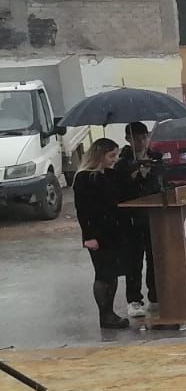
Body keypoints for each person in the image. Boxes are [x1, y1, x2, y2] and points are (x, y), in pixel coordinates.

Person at [74, 138, 131, 329]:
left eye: (115, 155)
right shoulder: (84, 178)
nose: (114, 159)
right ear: (99, 155)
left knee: (112, 273)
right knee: (103, 273)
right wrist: (89, 236)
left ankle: (110, 312)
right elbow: (83, 210)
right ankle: (104, 314)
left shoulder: (108, 174)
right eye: (111, 156)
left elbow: (122, 193)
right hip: (97, 233)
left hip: (113, 231)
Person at [114, 121, 162, 317]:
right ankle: (134, 299)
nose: (141, 142)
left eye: (144, 137)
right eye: (136, 138)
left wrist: (151, 174)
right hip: (131, 219)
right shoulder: (122, 163)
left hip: (154, 216)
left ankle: (156, 295)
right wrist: (136, 176)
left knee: (155, 258)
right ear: (128, 139)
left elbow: (161, 183)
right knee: (134, 260)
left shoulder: (155, 158)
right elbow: (120, 191)